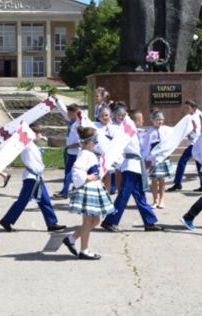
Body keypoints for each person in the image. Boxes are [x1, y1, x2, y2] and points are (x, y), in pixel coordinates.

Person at [101, 110, 164, 233]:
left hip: (135, 166)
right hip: (131, 167)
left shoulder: (135, 133)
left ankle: (149, 222)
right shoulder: (127, 132)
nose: (143, 121)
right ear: (135, 121)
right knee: (124, 195)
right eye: (140, 119)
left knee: (140, 195)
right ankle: (109, 221)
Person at [0, 124, 66, 233]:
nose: (41, 135)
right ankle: (7, 220)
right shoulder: (27, 144)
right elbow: (20, 136)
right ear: (32, 134)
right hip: (31, 178)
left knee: (45, 200)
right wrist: (23, 127)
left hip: (37, 178)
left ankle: (51, 223)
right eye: (39, 133)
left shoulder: (33, 145)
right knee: (23, 200)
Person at [62, 126, 114, 260]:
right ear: (88, 142)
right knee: (88, 222)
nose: (96, 143)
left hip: (93, 187)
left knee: (95, 220)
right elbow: (76, 169)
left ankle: (71, 239)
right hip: (87, 189)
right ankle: (84, 250)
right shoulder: (85, 154)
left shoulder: (88, 153)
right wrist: (87, 178)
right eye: (95, 141)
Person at [167, 99, 202, 192]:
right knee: (198, 163)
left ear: (193, 108)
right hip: (198, 143)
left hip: (194, 143)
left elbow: (195, 131)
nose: (186, 110)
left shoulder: (192, 118)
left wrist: (188, 134)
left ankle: (177, 183)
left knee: (182, 161)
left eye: (188, 108)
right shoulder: (198, 114)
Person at [145, 110, 173, 209]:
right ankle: (155, 200)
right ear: (152, 120)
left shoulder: (167, 130)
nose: (160, 121)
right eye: (157, 120)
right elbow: (146, 145)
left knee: (162, 180)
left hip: (163, 158)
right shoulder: (149, 131)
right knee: (153, 180)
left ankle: (162, 200)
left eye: (161, 119)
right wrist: (146, 158)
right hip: (153, 158)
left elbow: (174, 137)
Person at [54, 103, 81, 199]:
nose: (68, 114)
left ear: (75, 113)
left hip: (76, 151)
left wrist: (77, 144)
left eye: (69, 113)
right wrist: (57, 101)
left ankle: (65, 192)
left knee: (70, 172)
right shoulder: (72, 121)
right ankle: (65, 190)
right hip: (70, 150)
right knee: (68, 171)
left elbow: (84, 137)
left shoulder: (79, 123)